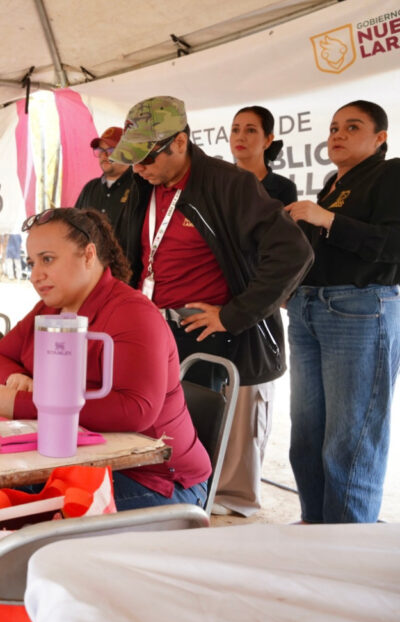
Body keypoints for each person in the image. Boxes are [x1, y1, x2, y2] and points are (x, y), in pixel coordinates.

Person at [109, 96, 313, 517]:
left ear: (180, 143)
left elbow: (293, 252)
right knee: (157, 436)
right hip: (155, 330)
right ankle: (162, 504)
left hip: (210, 336)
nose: (139, 167)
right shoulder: (142, 185)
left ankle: (202, 519)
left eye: (146, 157)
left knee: (208, 448)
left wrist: (233, 314)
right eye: (132, 159)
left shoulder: (228, 184)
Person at [0, 208, 211, 510]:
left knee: (18, 515)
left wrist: (19, 404)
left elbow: (137, 410)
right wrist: (14, 379)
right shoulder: (49, 310)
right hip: (83, 461)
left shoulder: (133, 313)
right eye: (32, 263)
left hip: (156, 480)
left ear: (88, 255)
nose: (34, 275)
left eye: (47, 259)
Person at [283, 100, 400, 524]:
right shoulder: (335, 182)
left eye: (353, 127)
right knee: (307, 436)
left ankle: (348, 545)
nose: (338, 134)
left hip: (359, 309)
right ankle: (315, 528)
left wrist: (327, 219)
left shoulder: (391, 174)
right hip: (310, 308)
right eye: (334, 127)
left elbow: (392, 246)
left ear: (380, 138)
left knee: (350, 441)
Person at [75, 127, 140, 261]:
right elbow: (75, 228)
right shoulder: (89, 188)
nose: (104, 155)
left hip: (128, 275)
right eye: (100, 150)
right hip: (91, 273)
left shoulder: (140, 187)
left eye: (111, 150)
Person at [230, 106, 297, 207]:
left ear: (268, 140)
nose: (240, 137)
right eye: (235, 130)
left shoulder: (284, 188)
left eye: (250, 130)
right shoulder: (218, 184)